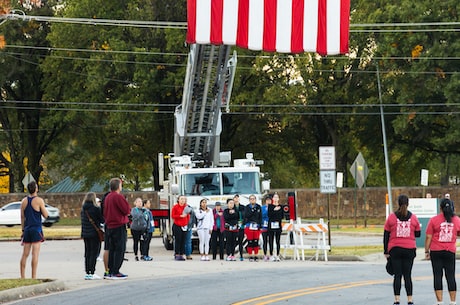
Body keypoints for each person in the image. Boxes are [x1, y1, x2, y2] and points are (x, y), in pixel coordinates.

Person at [383, 194, 421, 305]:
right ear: (408, 204)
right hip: (409, 249)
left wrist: (386, 251)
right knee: (407, 275)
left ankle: (397, 300)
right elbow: (418, 234)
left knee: (397, 275)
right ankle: (409, 299)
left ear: (398, 204)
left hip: (395, 249)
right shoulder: (413, 218)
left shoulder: (391, 217)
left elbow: (386, 235)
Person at [425, 198, 460, 305]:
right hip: (450, 251)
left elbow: (428, 236)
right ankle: (453, 301)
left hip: (436, 251)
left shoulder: (434, 220)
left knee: (437, 275)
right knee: (450, 275)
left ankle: (440, 301)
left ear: (440, 208)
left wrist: (427, 250)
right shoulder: (457, 220)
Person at [20, 181, 49, 279]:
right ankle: (33, 276)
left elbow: (22, 216)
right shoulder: (39, 200)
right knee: (35, 254)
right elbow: (45, 215)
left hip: (27, 229)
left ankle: (22, 276)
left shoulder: (24, 201)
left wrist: (23, 230)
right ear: (36, 189)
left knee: (25, 254)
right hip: (36, 229)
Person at [103, 178, 131, 279]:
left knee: (112, 248)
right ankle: (116, 270)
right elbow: (126, 210)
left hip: (110, 225)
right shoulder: (118, 197)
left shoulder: (108, 197)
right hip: (118, 224)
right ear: (119, 186)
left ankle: (110, 270)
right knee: (120, 248)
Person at [80, 192, 104, 280]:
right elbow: (102, 219)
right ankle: (92, 272)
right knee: (94, 253)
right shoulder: (96, 209)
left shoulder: (83, 209)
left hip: (85, 233)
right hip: (94, 233)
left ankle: (87, 272)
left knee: (87, 252)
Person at [244, 194, 262, 262]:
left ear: (255, 199)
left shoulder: (258, 207)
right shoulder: (247, 207)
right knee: (250, 241)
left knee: (256, 241)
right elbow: (247, 215)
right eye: (251, 199)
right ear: (249, 200)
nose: (252, 200)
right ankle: (250, 255)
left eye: (253, 199)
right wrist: (252, 211)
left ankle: (256, 255)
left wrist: (260, 225)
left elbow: (260, 216)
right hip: (249, 225)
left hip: (256, 226)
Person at [171, 195, 190, 261]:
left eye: (184, 199)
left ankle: (182, 254)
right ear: (178, 200)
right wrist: (180, 216)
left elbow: (188, 216)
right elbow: (173, 216)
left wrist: (187, 223)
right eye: (181, 199)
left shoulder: (186, 207)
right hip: (177, 225)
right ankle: (177, 254)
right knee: (178, 240)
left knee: (183, 240)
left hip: (184, 225)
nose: (182, 200)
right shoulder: (175, 207)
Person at [268, 193, 283, 262]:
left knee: (278, 240)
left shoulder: (281, 206)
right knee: (271, 240)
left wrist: (277, 210)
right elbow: (270, 215)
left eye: (277, 197)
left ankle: (277, 254)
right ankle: (271, 254)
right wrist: (275, 210)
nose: (276, 198)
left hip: (278, 225)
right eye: (275, 197)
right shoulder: (270, 206)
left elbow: (281, 216)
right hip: (271, 225)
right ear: (272, 199)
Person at [233, 194, 246, 261]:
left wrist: (244, 222)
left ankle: (241, 255)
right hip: (234, 226)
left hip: (242, 226)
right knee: (234, 241)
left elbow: (245, 216)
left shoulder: (243, 207)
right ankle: (232, 255)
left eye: (237, 198)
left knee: (240, 242)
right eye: (235, 198)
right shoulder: (232, 207)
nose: (236, 199)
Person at [261, 195, 270, 261]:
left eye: (269, 200)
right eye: (267, 200)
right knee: (264, 241)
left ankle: (271, 254)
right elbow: (262, 215)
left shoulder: (273, 207)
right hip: (264, 226)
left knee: (271, 241)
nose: (268, 201)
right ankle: (265, 254)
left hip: (271, 226)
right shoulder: (263, 208)